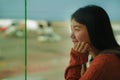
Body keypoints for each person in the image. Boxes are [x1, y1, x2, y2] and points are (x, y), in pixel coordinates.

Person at [65, 5, 120, 80]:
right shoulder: (108, 57)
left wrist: (76, 59)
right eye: (72, 30)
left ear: (94, 30)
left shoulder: (103, 63)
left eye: (77, 29)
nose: (71, 35)